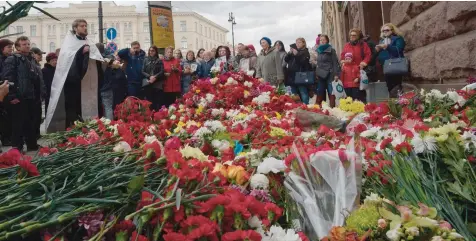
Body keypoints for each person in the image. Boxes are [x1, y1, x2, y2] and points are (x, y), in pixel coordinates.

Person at [45, 19, 104, 132]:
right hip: (73, 85)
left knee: (88, 110)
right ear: (75, 28)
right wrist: (82, 52)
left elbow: (96, 61)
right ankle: (73, 134)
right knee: (73, 110)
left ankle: (90, 132)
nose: (85, 28)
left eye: (86, 26)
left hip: (88, 85)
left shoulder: (90, 43)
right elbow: (67, 63)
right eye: (82, 26)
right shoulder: (69, 44)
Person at [2, 36, 45, 152]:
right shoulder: (13, 59)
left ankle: (32, 144)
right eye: (24, 44)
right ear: (17, 47)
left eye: (28, 44)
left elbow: (36, 78)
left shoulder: (31, 59)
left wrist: (40, 94)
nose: (27, 46)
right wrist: (12, 96)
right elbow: (8, 78)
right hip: (19, 96)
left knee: (30, 122)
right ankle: (17, 147)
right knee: (18, 123)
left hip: (31, 96)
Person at [340, 28, 371, 102]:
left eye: (354, 35)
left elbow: (368, 55)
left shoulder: (363, 45)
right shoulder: (347, 45)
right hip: (348, 72)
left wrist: (364, 62)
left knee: (359, 94)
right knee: (349, 95)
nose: (352, 37)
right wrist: (343, 62)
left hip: (359, 70)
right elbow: (342, 55)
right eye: (350, 35)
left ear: (358, 36)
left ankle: (361, 109)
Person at [376, 23, 406, 98]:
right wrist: (377, 51)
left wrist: (387, 47)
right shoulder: (382, 41)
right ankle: (393, 104)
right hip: (386, 66)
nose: (385, 32)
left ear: (392, 30)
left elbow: (398, 50)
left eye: (387, 30)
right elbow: (381, 55)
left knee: (396, 86)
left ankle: (399, 103)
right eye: (383, 31)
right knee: (389, 87)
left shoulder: (398, 38)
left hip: (396, 65)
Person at [315, 34, 341, 107]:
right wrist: (316, 72)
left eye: (324, 40)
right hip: (321, 74)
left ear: (327, 41)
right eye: (321, 40)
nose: (322, 41)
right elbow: (319, 63)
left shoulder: (331, 50)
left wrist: (336, 74)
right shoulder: (319, 50)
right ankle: (319, 107)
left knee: (331, 91)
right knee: (320, 90)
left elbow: (335, 63)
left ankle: (332, 108)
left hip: (330, 73)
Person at [285, 38, 312, 104]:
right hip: (292, 75)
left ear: (303, 43)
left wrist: (297, 55)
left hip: (301, 75)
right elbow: (286, 60)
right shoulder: (294, 51)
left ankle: (305, 106)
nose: (297, 44)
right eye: (296, 42)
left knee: (303, 92)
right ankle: (296, 106)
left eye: (299, 42)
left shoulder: (305, 51)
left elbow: (302, 62)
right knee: (294, 93)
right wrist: (289, 53)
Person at [0, 39, 14, 148]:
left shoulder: (9, 59)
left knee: (8, 116)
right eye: (9, 47)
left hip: (8, 91)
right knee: (3, 117)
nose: (11, 49)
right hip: (2, 90)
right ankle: (5, 139)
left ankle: (8, 137)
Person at [142, 45, 164, 111]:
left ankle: (157, 114)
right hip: (148, 82)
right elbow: (142, 71)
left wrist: (155, 77)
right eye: (150, 50)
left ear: (156, 52)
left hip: (157, 83)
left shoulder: (159, 60)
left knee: (157, 100)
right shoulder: (145, 60)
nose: (151, 52)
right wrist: (149, 76)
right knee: (149, 100)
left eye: (153, 51)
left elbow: (162, 71)